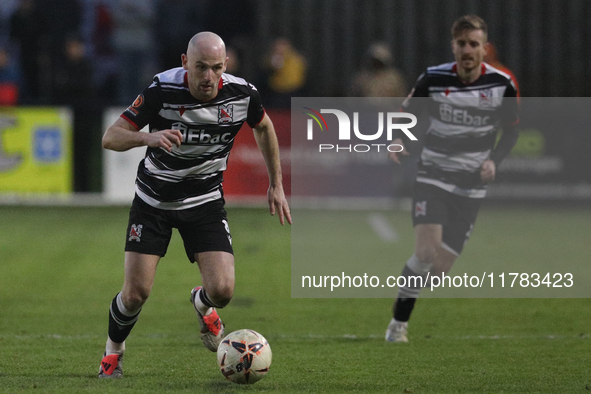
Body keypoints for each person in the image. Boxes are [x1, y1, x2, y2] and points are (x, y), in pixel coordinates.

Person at [98, 31, 291, 378]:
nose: (208, 77)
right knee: (136, 294)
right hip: (153, 202)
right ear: (185, 63)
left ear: (226, 65)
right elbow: (110, 137)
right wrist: (148, 136)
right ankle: (113, 352)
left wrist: (276, 183)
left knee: (223, 291)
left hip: (204, 202)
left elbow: (264, 127)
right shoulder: (162, 90)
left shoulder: (242, 94)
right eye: (201, 67)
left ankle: (202, 302)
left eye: (216, 68)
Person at [385, 15, 519, 342]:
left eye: (474, 44)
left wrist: (493, 160)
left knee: (438, 271)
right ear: (453, 46)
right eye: (462, 44)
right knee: (426, 251)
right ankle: (397, 326)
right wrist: (399, 139)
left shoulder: (502, 85)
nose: (468, 50)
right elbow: (407, 116)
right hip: (433, 176)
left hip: (472, 187)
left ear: (484, 48)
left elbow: (512, 132)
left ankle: (407, 293)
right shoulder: (433, 79)